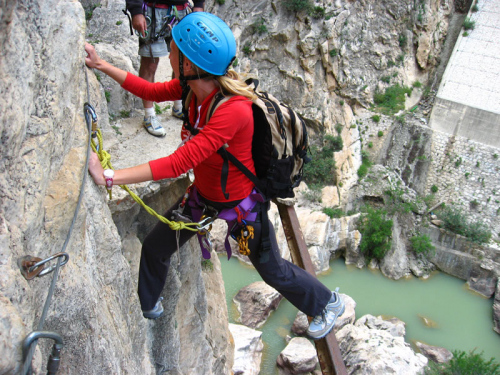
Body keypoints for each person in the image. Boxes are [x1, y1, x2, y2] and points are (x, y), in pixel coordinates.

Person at [85, 12, 345, 340]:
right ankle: (149, 308)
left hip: (242, 208)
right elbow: (149, 89)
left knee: (272, 270)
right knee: (156, 247)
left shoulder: (232, 110)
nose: (170, 52)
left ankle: (327, 303)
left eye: (175, 49)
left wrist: (109, 176)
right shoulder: (192, 88)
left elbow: (179, 162)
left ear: (191, 63)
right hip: (204, 199)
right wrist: (102, 66)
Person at [125, 0, 204, 137]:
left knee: (183, 60)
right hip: (153, 10)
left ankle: (180, 105)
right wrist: (136, 11)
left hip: (181, 10)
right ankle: (149, 115)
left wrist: (199, 4)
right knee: (150, 63)